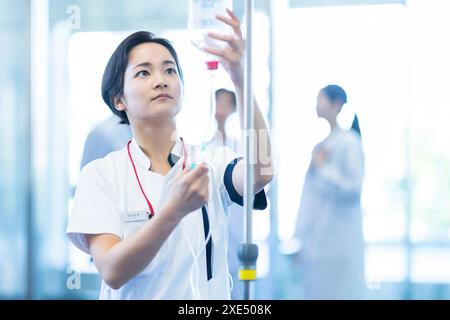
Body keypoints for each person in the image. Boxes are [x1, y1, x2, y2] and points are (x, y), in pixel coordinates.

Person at [66, 9, 273, 300]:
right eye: (144, 72)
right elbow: (112, 270)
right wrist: (173, 212)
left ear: (183, 91)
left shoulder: (210, 164)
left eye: (170, 70)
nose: (161, 80)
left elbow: (262, 170)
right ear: (119, 99)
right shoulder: (101, 175)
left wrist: (240, 78)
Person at [294, 84, 365, 300]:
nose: (316, 104)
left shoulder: (349, 143)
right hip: (317, 247)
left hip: (339, 248)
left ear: (336, 104)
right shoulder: (321, 145)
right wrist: (300, 238)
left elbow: (353, 189)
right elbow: (308, 200)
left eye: (320, 99)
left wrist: (323, 169)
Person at [206, 88, 243, 299]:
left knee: (235, 282)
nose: (220, 108)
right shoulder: (202, 146)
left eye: (225, 103)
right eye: (217, 102)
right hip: (209, 225)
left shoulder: (239, 147)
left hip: (236, 225)